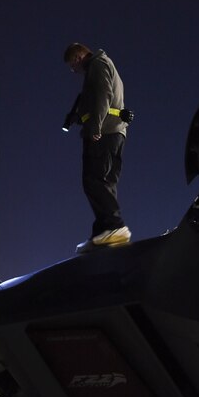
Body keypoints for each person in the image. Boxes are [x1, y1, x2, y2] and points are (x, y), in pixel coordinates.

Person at [64, 42, 131, 253]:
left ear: (77, 57)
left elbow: (104, 94)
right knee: (105, 182)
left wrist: (95, 126)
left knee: (92, 179)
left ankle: (115, 225)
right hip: (115, 132)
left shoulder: (98, 64)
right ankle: (103, 232)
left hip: (105, 132)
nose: (74, 71)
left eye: (72, 66)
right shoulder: (103, 64)